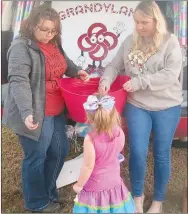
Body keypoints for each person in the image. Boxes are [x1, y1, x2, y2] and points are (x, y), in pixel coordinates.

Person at [3, 5, 89, 213]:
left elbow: (64, 62)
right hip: (35, 113)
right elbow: (18, 81)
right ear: (32, 25)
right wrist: (26, 112)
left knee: (60, 151)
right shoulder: (21, 47)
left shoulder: (53, 42)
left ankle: (49, 192)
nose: (49, 35)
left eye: (53, 31)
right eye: (44, 29)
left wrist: (76, 71)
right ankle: (36, 202)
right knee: (36, 157)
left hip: (57, 110)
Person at [99, 1, 183, 213]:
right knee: (137, 151)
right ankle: (138, 195)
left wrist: (139, 81)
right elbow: (114, 65)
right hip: (137, 105)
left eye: (144, 22)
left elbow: (170, 74)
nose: (139, 26)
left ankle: (158, 201)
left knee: (162, 153)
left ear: (157, 21)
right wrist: (105, 80)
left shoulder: (170, 42)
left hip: (167, 105)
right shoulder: (130, 41)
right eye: (136, 21)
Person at [72, 95, 136, 213]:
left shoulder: (90, 139)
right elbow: (119, 148)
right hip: (114, 181)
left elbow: (88, 166)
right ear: (113, 114)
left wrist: (79, 185)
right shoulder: (119, 131)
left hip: (95, 186)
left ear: (90, 118)